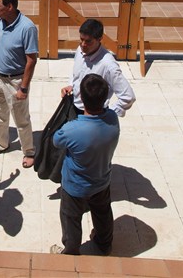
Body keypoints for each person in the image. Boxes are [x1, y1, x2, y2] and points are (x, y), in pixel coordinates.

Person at [51, 73, 120, 256]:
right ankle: (104, 245)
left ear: (81, 97)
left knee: (71, 219)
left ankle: (71, 251)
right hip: (102, 181)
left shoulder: (72, 129)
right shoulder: (112, 118)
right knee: (103, 213)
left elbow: (56, 140)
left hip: (75, 186)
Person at [0, 0, 38, 168]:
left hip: (15, 81)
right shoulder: (0, 20)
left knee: (21, 119)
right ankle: (1, 144)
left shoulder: (27, 28)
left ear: (9, 6)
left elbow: (31, 59)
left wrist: (23, 87)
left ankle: (29, 151)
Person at [61, 19, 136, 117]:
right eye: (81, 39)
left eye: (88, 41)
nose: (83, 44)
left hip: (95, 116)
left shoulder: (108, 65)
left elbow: (128, 97)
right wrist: (71, 85)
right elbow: (76, 72)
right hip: (74, 107)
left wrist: (108, 114)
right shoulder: (80, 50)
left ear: (99, 39)